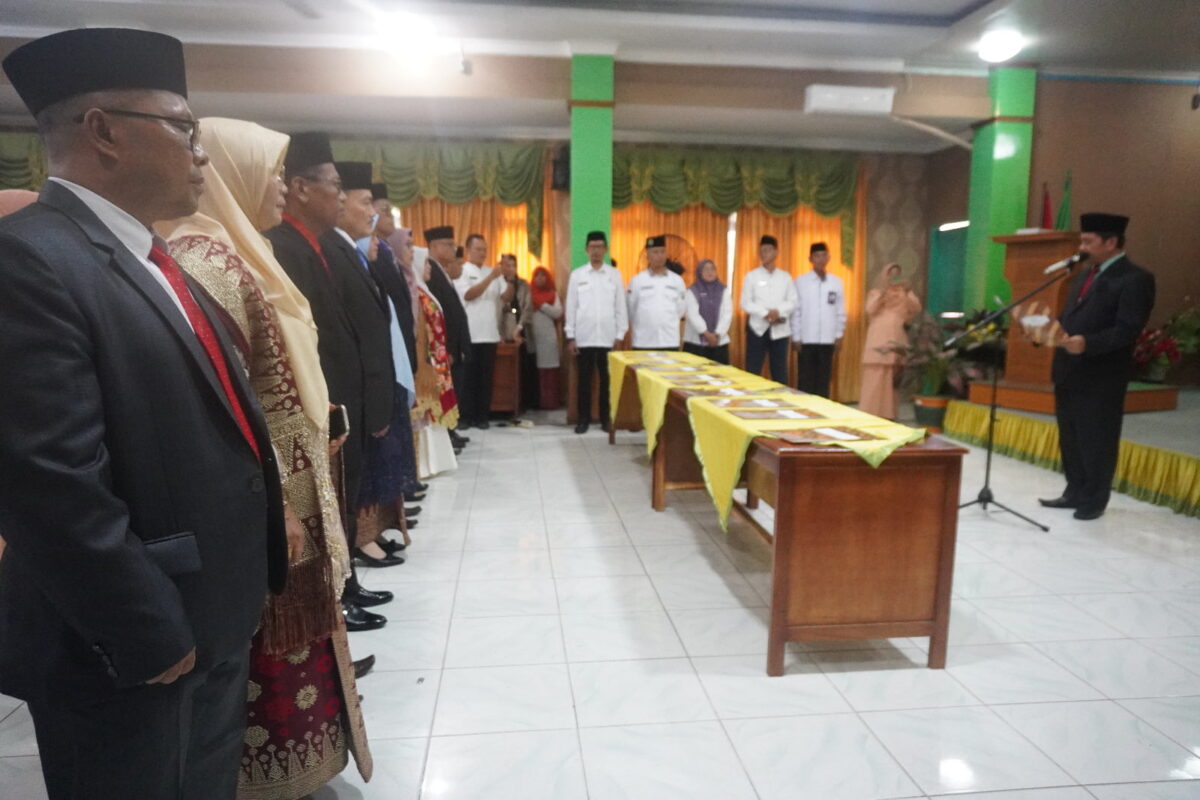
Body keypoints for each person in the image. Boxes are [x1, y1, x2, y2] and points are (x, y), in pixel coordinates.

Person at [0, 29, 286, 799]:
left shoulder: (148, 254)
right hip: (130, 644)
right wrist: (143, 628)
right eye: (184, 129)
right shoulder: (28, 257)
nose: (201, 153)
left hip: (208, 617)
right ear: (104, 132)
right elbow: (47, 479)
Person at [157, 117, 372, 799]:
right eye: (273, 172)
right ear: (236, 176)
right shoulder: (206, 260)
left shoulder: (242, 252)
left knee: (295, 640)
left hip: (292, 479)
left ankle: (299, 771)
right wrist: (280, 498)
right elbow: (230, 400)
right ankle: (268, 780)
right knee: (267, 644)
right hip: (268, 496)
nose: (282, 185)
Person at [263, 136, 392, 632]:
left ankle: (346, 590)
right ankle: (338, 598)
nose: (340, 195)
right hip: (322, 407)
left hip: (339, 404)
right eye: (335, 186)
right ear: (301, 188)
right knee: (330, 506)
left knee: (343, 501)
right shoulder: (285, 246)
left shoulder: (312, 244)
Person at [1040, 212, 1155, 521]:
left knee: (1096, 439)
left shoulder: (1135, 279)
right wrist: (1044, 331)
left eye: (1088, 241)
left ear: (1111, 242)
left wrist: (1088, 344)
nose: (1082, 247)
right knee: (1071, 437)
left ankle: (1094, 499)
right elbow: (1070, 318)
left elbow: (1128, 329)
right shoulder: (1084, 275)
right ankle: (1074, 491)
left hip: (1101, 376)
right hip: (1069, 370)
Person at [317, 162, 397, 568]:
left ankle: (350, 574)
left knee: (354, 484)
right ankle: (346, 578)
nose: (373, 213)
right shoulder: (328, 250)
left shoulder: (346, 249)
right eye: (366, 203)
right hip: (347, 395)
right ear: (341, 200)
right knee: (345, 488)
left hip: (363, 394)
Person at [565, 230, 628, 433]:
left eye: (600, 247)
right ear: (586, 250)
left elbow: (620, 307)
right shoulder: (577, 275)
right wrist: (570, 336)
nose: (596, 251)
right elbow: (571, 307)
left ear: (606, 249)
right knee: (583, 381)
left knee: (607, 381)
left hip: (608, 339)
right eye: (592, 247)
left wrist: (620, 335)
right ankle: (583, 419)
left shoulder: (614, 275)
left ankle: (605, 419)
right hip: (583, 338)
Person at [411, 244, 463, 476]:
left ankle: (438, 461)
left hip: (437, 358)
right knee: (427, 409)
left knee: (437, 408)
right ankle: (425, 465)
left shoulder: (424, 291)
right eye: (425, 264)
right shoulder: (415, 293)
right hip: (427, 360)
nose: (429, 268)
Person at [423, 225, 472, 451]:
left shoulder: (443, 270)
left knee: (455, 391)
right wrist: (449, 348)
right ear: (434, 246)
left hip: (454, 346)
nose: (454, 248)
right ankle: (447, 435)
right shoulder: (431, 271)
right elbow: (440, 315)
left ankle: (451, 431)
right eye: (448, 244)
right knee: (446, 393)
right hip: (447, 348)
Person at [454, 234, 508, 429]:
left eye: (485, 249)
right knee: (468, 379)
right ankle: (465, 417)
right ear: (468, 250)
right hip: (470, 333)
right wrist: (490, 278)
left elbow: (506, 297)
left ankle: (482, 417)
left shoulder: (492, 271)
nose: (482, 253)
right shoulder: (462, 271)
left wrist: (508, 277)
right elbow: (469, 295)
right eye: (478, 249)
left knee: (486, 378)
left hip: (490, 334)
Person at [859, 263, 922, 419]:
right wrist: (882, 292)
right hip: (878, 339)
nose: (893, 278)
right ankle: (869, 413)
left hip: (897, 339)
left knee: (892, 381)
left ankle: (889, 415)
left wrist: (907, 291)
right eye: (890, 274)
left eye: (897, 274)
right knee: (875, 378)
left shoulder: (905, 294)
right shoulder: (876, 292)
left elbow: (916, 309)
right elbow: (870, 309)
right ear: (884, 275)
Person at [791, 242, 847, 397]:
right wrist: (796, 336)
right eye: (817, 256)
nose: (820, 259)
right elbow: (796, 311)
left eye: (823, 255)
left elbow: (840, 310)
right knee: (805, 380)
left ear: (828, 258)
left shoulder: (836, 282)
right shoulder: (801, 281)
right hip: (806, 339)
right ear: (810, 259)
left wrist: (839, 335)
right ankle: (803, 409)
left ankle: (822, 410)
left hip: (828, 339)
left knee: (824, 379)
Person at [740, 234, 796, 381]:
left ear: (776, 252)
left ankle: (781, 396)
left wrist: (778, 311)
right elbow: (745, 302)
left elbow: (793, 301)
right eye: (762, 250)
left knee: (780, 372)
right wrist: (765, 313)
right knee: (752, 371)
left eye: (768, 250)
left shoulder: (785, 277)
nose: (764, 254)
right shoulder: (751, 276)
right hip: (757, 329)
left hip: (780, 330)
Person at [628, 234, 687, 350]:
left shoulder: (677, 280)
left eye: (662, 252)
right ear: (647, 255)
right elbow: (631, 309)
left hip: (669, 340)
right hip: (643, 341)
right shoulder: (637, 281)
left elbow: (681, 309)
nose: (659, 256)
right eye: (655, 252)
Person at [683, 258, 732, 364]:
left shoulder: (723, 290)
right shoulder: (692, 291)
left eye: (712, 269)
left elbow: (727, 314)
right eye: (706, 269)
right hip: (695, 343)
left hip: (719, 342)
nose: (710, 272)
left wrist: (717, 334)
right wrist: (706, 334)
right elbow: (693, 315)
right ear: (700, 272)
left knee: (720, 373)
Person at [528, 266, 564, 409]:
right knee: (534, 371)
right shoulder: (529, 294)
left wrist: (542, 305)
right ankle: (536, 402)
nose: (540, 278)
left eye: (543, 276)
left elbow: (558, 313)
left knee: (549, 371)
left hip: (548, 338)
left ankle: (550, 403)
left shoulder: (553, 294)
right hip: (532, 338)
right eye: (537, 276)